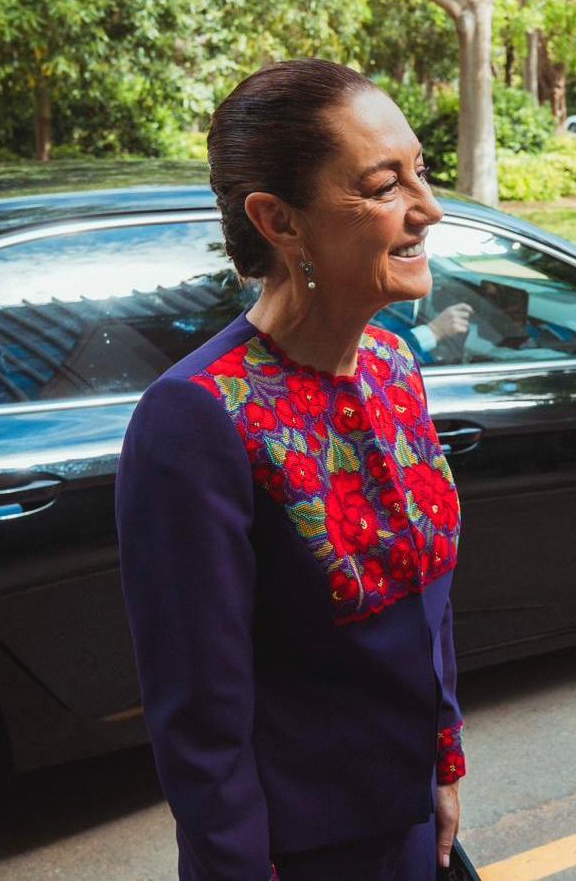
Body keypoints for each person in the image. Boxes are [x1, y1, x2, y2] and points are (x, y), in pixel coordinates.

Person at [115, 59, 467, 881]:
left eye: (420, 170)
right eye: (384, 186)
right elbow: (200, 721)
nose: (429, 209)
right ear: (280, 220)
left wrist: (444, 757)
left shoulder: (391, 360)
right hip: (295, 853)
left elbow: (430, 602)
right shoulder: (195, 419)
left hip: (410, 824)